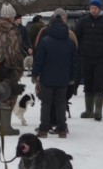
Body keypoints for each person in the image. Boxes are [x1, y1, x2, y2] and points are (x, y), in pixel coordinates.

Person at [32, 9, 78, 138]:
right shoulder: (70, 43)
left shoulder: (45, 41)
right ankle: (62, 129)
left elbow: (39, 60)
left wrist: (35, 74)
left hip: (47, 78)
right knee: (61, 103)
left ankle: (43, 129)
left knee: (46, 103)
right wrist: (72, 77)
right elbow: (74, 62)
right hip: (63, 79)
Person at [0, 3, 25, 136]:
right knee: (10, 93)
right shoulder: (13, 31)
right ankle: (6, 126)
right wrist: (18, 67)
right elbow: (14, 51)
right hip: (9, 65)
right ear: (10, 16)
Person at [75, 0, 103, 121]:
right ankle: (89, 110)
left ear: (100, 9)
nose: (93, 10)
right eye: (92, 8)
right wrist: (77, 52)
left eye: (96, 8)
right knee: (88, 83)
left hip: (100, 58)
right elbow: (76, 38)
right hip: (85, 57)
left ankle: (98, 111)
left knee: (99, 84)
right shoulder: (83, 21)